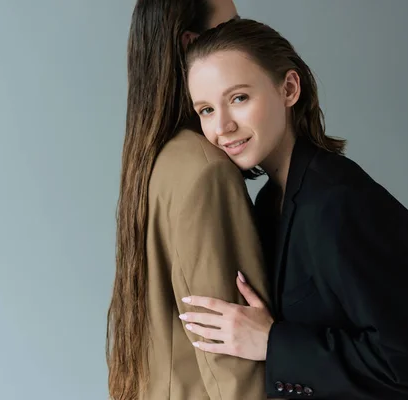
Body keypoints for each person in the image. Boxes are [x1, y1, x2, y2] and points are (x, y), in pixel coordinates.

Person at [182, 18, 408, 399]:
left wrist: (271, 342)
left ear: (288, 88)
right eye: (205, 110)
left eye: (238, 98)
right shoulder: (273, 201)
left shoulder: (336, 202)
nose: (223, 126)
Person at [106, 3, 273, 400]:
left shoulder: (152, 159)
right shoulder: (206, 171)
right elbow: (232, 366)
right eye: (232, 27)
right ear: (191, 43)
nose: (246, 33)